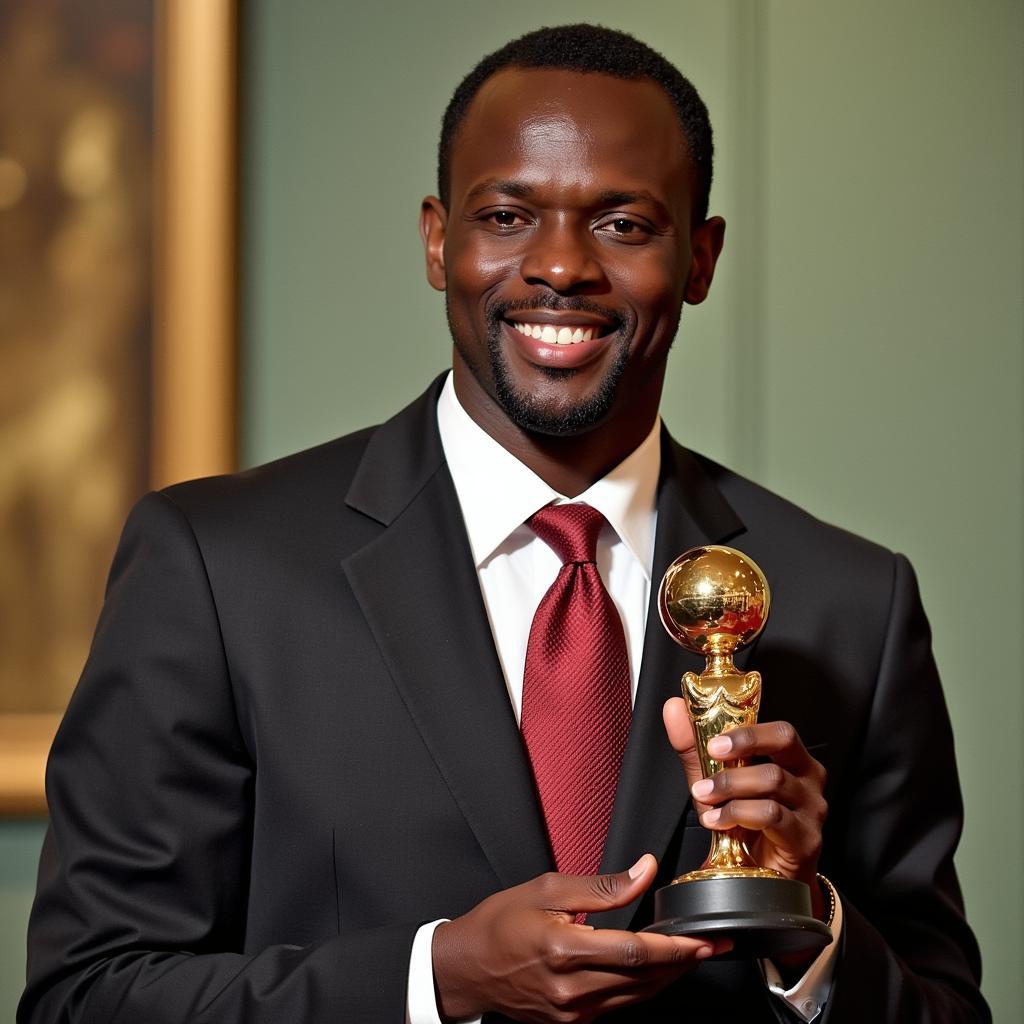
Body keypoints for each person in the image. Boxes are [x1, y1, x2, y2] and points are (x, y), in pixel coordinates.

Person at [20, 24, 988, 1024]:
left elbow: (947, 1009)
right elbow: (84, 996)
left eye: (622, 223)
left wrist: (809, 925)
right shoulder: (219, 570)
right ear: (440, 241)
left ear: (700, 257)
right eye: (508, 213)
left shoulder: (849, 605)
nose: (560, 266)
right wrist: (431, 981)